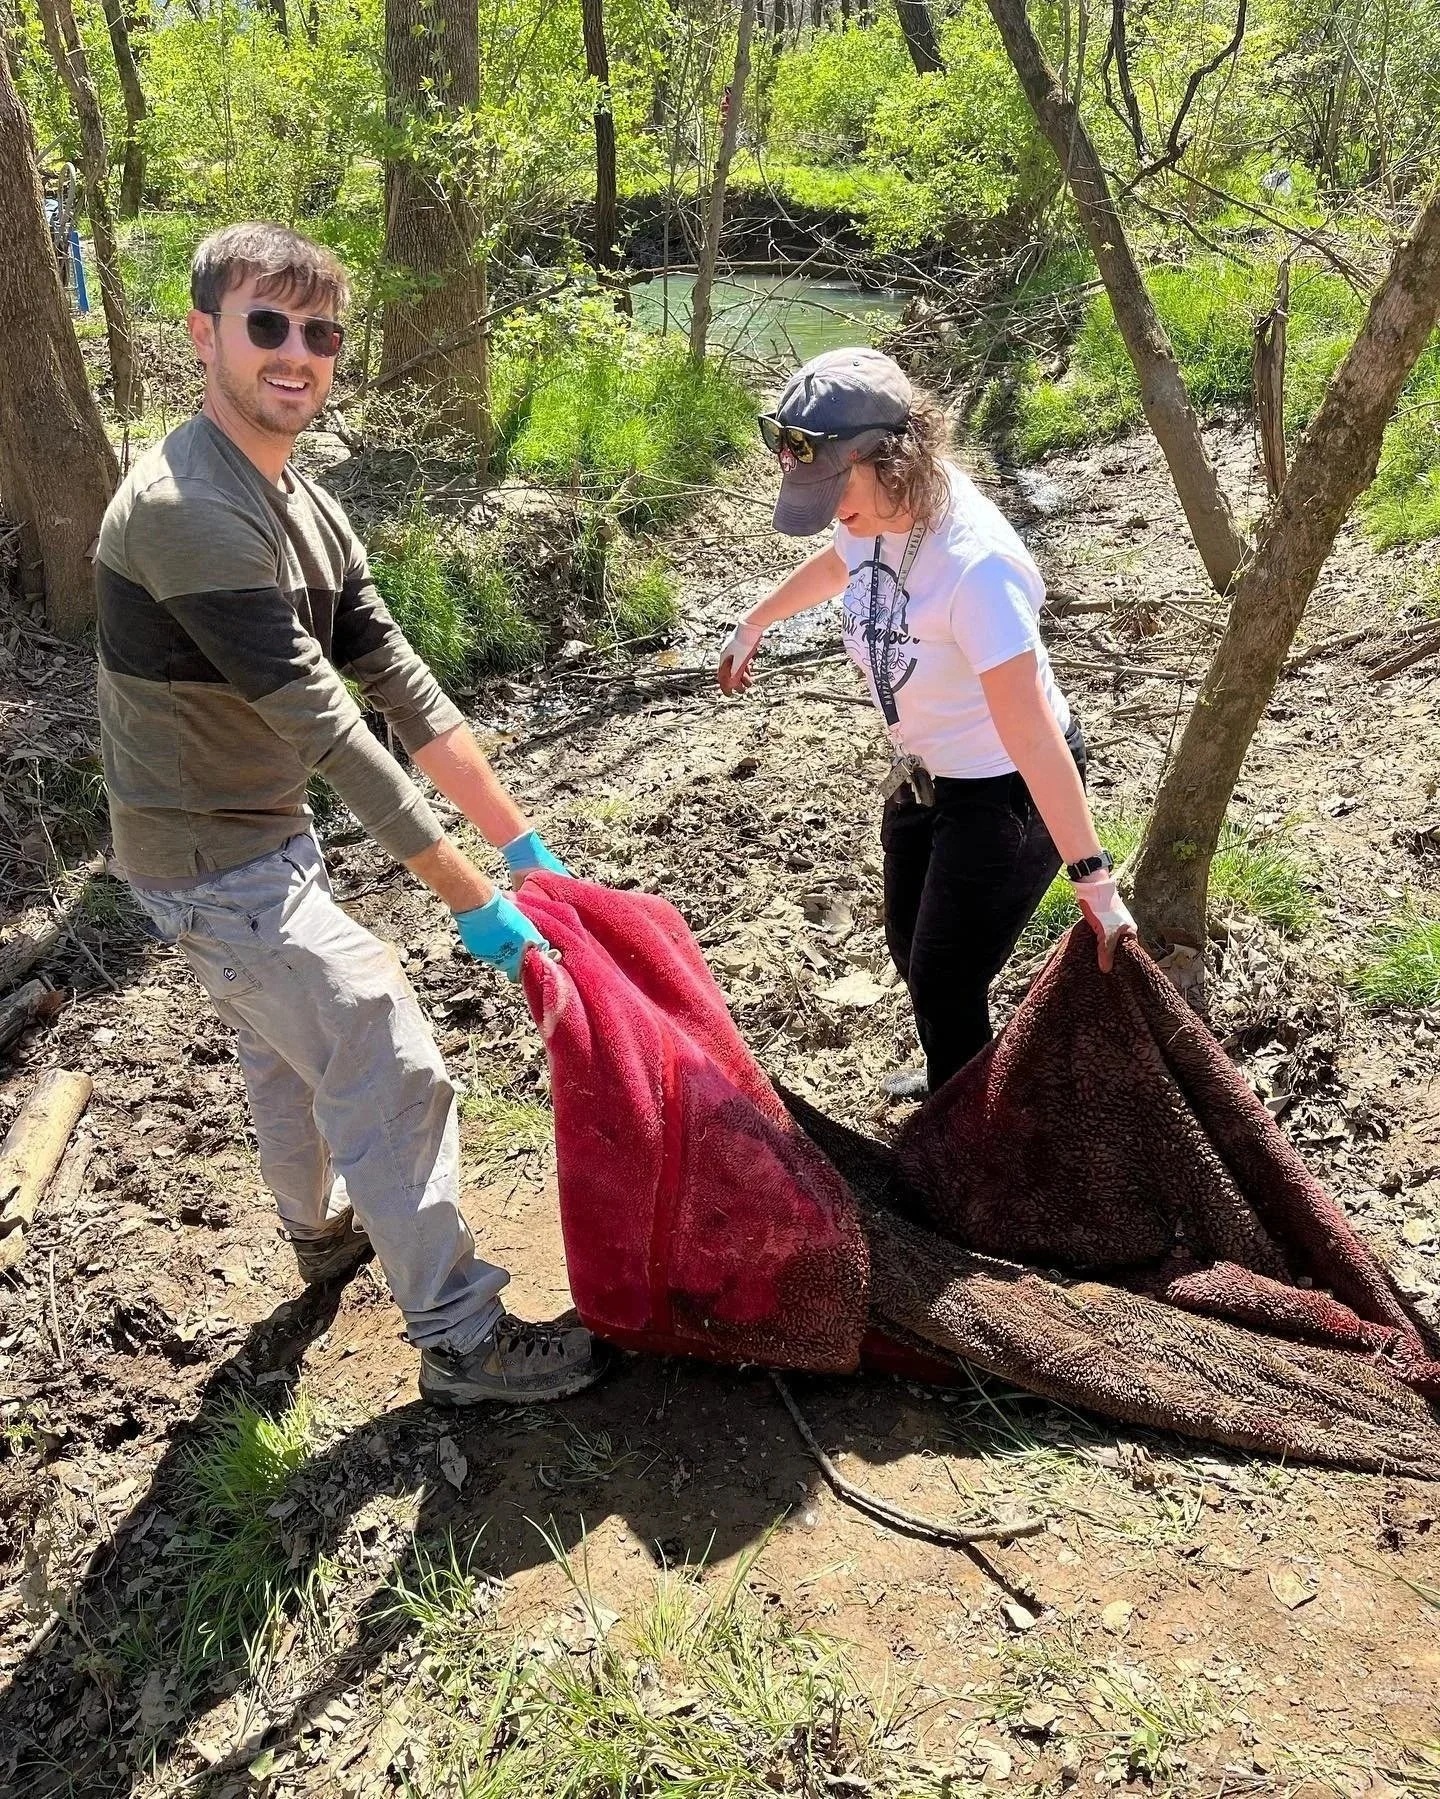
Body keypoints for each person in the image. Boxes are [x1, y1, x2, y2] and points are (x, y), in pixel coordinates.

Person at [94, 223, 599, 1404]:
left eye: (319, 333)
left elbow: (403, 691)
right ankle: (464, 1338)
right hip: (206, 857)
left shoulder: (302, 499)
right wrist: (473, 898)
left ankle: (322, 1231)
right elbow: (328, 726)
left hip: (262, 833)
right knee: (379, 1036)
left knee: (289, 1054)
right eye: (266, 324)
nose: (297, 354)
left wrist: (522, 843)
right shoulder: (183, 506)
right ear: (202, 333)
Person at [717, 347, 1135, 1099]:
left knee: (945, 974)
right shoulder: (873, 510)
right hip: (924, 776)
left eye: (834, 492)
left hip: (1007, 790)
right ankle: (957, 1070)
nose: (831, 514)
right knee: (912, 948)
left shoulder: (978, 569)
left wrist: (1095, 884)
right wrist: (755, 622)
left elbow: (1033, 734)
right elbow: (840, 563)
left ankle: (969, 1143)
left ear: (895, 457)